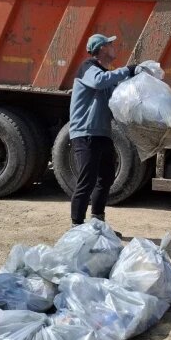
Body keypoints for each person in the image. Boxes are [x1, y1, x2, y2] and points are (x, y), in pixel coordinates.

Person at [68, 34, 137, 231]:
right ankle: (77, 228)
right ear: (101, 48)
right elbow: (99, 82)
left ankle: (97, 224)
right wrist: (127, 70)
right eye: (110, 43)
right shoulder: (89, 68)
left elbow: (115, 97)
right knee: (87, 181)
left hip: (102, 134)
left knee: (105, 178)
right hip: (85, 133)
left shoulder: (105, 74)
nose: (114, 46)